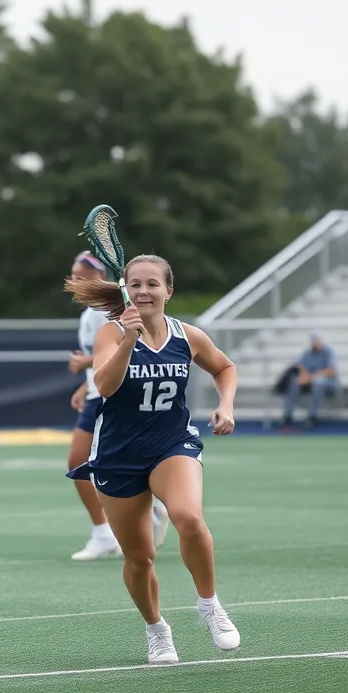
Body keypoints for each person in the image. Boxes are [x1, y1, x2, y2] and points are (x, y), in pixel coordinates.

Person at [65, 254, 241, 665]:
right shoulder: (111, 333)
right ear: (126, 290)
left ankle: (209, 605)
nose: (144, 291)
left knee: (189, 518)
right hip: (117, 455)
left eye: (153, 284)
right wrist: (129, 339)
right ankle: (156, 629)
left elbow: (224, 367)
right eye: (137, 284)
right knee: (140, 558)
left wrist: (227, 405)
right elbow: (106, 386)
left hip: (171, 444)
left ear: (168, 290)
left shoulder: (187, 335)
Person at [67, 251, 168, 560]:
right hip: (97, 392)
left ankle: (107, 532)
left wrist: (84, 363)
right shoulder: (89, 313)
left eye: (78, 273)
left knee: (82, 464)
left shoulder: (102, 313)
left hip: (110, 398)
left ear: (96, 275)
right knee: (87, 465)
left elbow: (127, 344)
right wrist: (86, 382)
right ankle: (137, 517)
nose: (73, 279)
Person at [282, 332, 340, 426]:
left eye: (317, 340)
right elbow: (300, 367)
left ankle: (312, 416)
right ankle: (287, 416)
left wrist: (312, 377)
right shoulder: (306, 353)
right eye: (313, 340)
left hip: (327, 382)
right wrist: (304, 376)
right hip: (309, 380)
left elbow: (331, 371)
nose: (315, 343)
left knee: (319, 383)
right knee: (294, 382)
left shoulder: (329, 352)